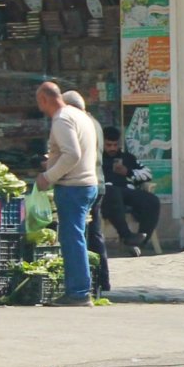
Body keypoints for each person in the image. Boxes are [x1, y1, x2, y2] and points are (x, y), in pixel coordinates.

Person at [34, 81, 98, 307]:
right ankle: (79, 289)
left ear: (44, 99)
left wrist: (47, 176)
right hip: (87, 184)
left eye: (39, 103)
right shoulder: (79, 115)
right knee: (76, 237)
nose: (40, 108)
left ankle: (79, 293)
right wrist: (52, 159)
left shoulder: (61, 119)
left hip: (74, 187)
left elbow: (72, 155)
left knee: (72, 239)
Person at [61, 91, 110, 295]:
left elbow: (74, 154)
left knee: (81, 234)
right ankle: (102, 279)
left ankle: (90, 281)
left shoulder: (80, 123)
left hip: (86, 183)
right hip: (97, 183)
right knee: (94, 234)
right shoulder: (94, 122)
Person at [103, 126, 161, 253]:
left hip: (127, 190)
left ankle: (141, 241)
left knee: (152, 201)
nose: (112, 148)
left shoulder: (128, 158)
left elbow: (148, 174)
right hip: (107, 195)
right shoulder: (97, 159)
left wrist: (128, 172)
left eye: (115, 145)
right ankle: (127, 236)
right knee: (112, 191)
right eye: (108, 145)